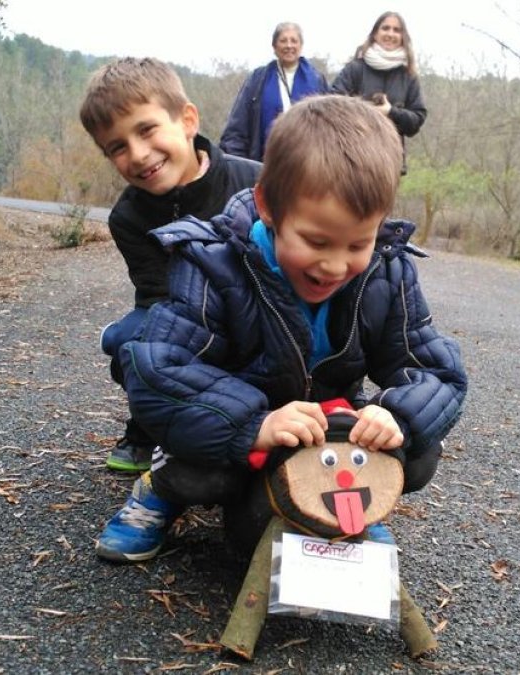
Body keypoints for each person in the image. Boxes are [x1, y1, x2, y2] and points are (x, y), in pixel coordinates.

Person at [95, 94, 467, 562]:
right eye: (316, 241)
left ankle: (346, 513)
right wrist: (255, 424)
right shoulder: (212, 264)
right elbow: (158, 370)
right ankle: (160, 490)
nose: (335, 265)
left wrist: (398, 417)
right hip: (239, 429)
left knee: (418, 454)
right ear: (268, 206)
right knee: (202, 475)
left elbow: (436, 371)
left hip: (322, 429)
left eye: (358, 243)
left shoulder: (386, 271)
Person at [79, 57, 261, 473]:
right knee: (132, 342)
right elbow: (157, 299)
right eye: (118, 147)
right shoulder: (127, 218)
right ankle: (153, 427)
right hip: (189, 321)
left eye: (146, 130)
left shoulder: (258, 183)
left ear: (188, 120)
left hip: (263, 317)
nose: (139, 154)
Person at [330, 11, 426, 175]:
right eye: (385, 28)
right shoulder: (355, 69)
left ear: (403, 37)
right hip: (351, 162)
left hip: (389, 166)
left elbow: (416, 120)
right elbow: (332, 105)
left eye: (396, 30)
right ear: (375, 34)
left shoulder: (408, 76)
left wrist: (391, 112)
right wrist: (365, 111)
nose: (390, 34)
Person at [219, 22, 329, 161]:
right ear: (274, 47)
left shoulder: (317, 80)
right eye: (283, 41)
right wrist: (239, 164)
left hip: (308, 163)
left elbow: (329, 128)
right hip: (265, 163)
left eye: (294, 41)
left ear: (301, 46)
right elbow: (237, 127)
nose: (289, 45)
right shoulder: (258, 80)